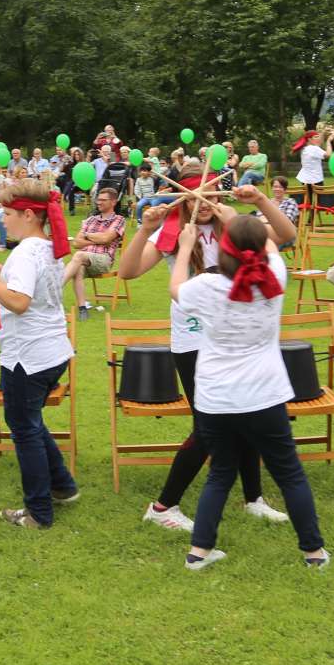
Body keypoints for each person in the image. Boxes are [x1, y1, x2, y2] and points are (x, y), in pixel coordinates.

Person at [119, 170, 297, 531]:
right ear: (183, 198)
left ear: (220, 197)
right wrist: (142, 228)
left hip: (235, 339)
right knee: (208, 428)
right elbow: (127, 271)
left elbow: (287, 236)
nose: (203, 203)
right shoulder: (172, 232)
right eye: (195, 196)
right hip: (193, 341)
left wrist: (260, 201)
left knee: (245, 414)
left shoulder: (234, 228)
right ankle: (162, 506)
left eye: (212, 195)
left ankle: (253, 498)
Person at [172, 212, 330, 570]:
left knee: (220, 473)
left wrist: (184, 248)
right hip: (264, 396)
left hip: (216, 399)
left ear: (224, 250)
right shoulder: (275, 275)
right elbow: (274, 243)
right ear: (260, 247)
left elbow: (175, 288)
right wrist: (251, 205)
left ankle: (199, 552)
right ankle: (313, 553)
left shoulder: (208, 286)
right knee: (289, 473)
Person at [0, 177, 78, 529]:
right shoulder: (44, 247)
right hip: (50, 350)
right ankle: (62, 486)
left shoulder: (28, 251)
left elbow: (18, 301)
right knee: (31, 423)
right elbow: (29, 286)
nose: (2, 218)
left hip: (28, 356)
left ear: (29, 215)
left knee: (24, 429)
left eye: (8, 212)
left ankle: (38, 513)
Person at [63, 187, 126, 320]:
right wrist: (95, 239)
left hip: (103, 260)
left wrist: (86, 236)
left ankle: (56, 288)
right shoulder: (91, 219)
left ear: (113, 202)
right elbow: (75, 243)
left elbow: (106, 238)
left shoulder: (118, 219)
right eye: (98, 199)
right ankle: (82, 309)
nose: (99, 202)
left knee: (79, 255)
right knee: (78, 266)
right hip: (84, 260)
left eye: (103, 200)